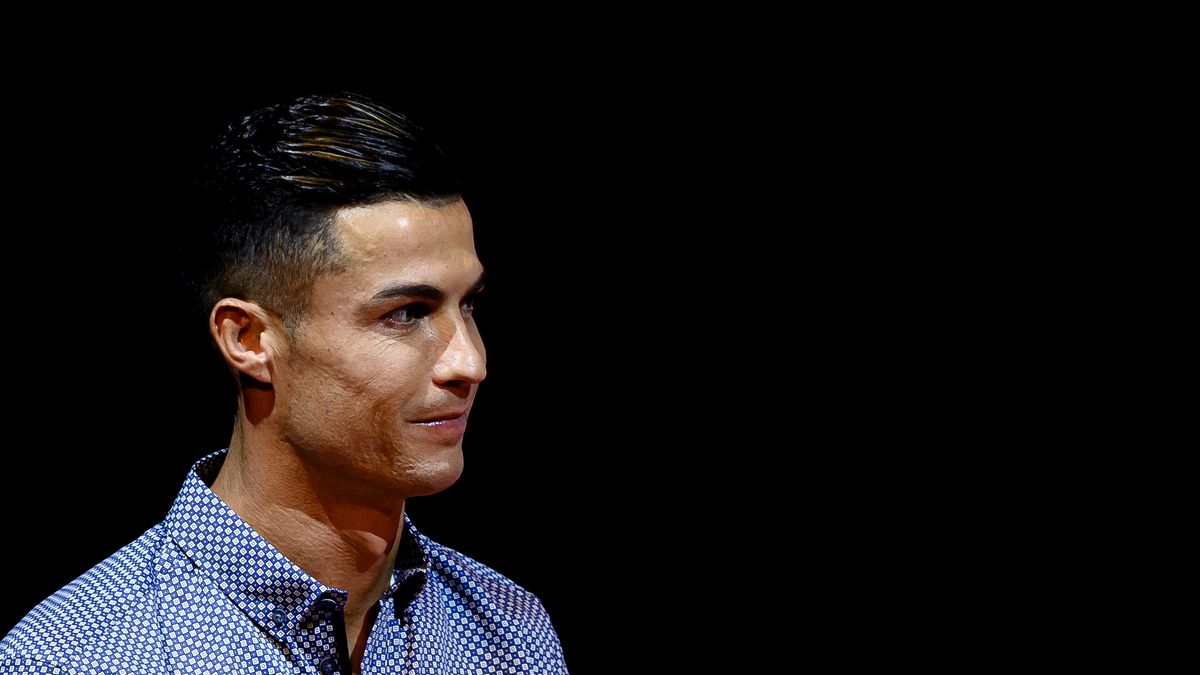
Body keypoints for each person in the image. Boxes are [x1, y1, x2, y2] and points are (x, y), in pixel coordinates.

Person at [0, 93, 568, 674]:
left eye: (468, 305)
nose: (470, 363)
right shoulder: (76, 656)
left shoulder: (509, 630)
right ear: (247, 340)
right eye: (406, 313)